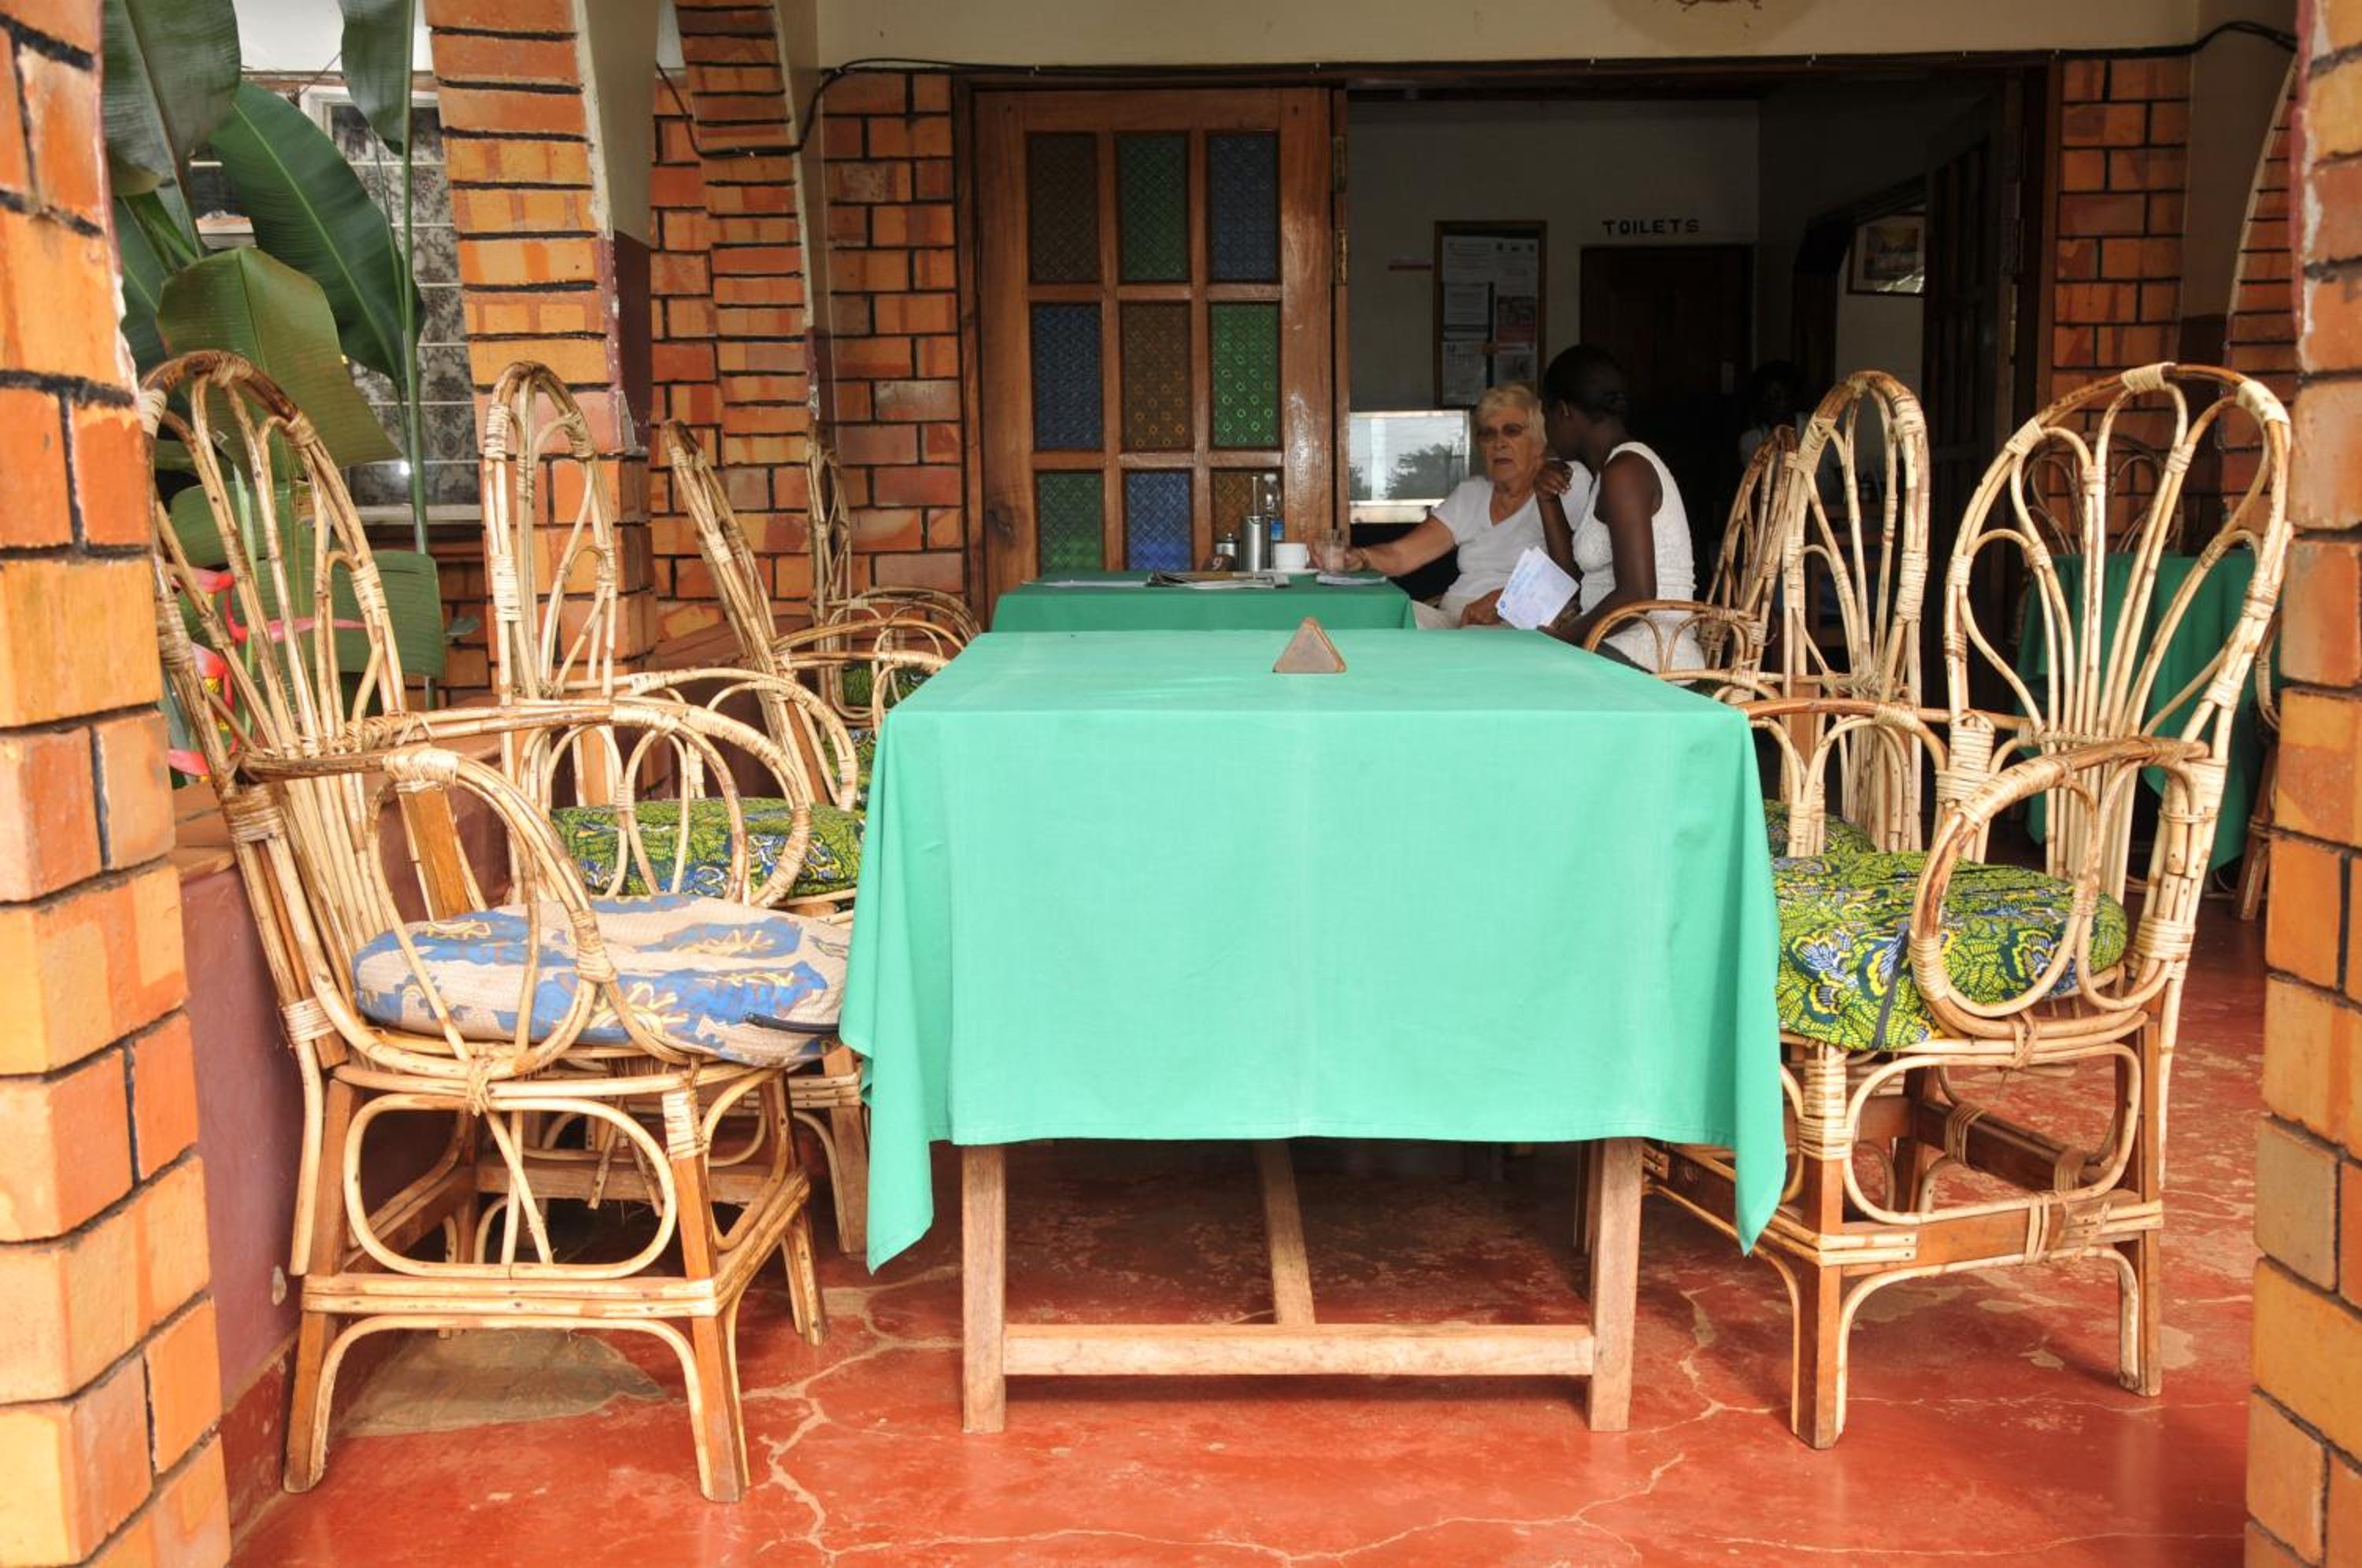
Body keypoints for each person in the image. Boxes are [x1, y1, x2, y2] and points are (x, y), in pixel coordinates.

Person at [1501, 344, 1702, 672]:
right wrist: (1547, 499)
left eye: (1546, 416)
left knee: (1515, 673)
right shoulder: (1607, 472)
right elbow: (1572, 578)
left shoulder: (1626, 471)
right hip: (1611, 647)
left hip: (1650, 656)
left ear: (1564, 411)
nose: (1546, 431)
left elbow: (1637, 595)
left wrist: (1562, 640)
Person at [1341, 383, 1575, 629]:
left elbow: (1577, 572)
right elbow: (1402, 555)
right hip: (1454, 616)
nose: (1499, 443)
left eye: (1512, 431)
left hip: (1517, 622)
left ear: (1539, 441)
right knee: (1385, 618)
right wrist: (1361, 558)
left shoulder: (1565, 483)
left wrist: (1505, 601)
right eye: (1488, 434)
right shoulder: (1471, 495)